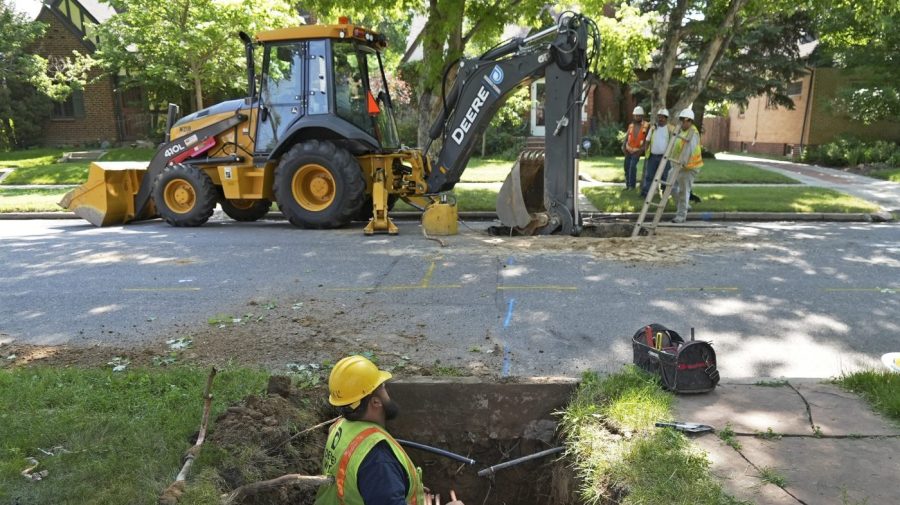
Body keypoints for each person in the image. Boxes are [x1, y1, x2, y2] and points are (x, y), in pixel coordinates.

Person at [314, 355, 464, 505]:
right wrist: (387, 485)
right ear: (376, 401)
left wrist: (395, 486)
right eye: (383, 386)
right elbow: (377, 477)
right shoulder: (377, 461)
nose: (387, 391)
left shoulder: (341, 426)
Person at [670, 108, 704, 223]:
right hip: (677, 166)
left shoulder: (692, 133)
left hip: (688, 167)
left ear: (689, 121)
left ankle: (681, 216)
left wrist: (682, 163)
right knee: (670, 187)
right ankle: (686, 206)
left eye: (683, 121)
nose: (681, 123)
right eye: (680, 120)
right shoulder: (682, 131)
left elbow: (689, 150)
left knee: (683, 191)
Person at [640, 109, 674, 197]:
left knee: (665, 176)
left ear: (666, 119)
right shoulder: (653, 128)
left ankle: (664, 194)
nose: (660, 119)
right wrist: (646, 151)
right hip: (652, 156)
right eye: (659, 117)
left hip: (665, 157)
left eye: (662, 118)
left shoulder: (670, 128)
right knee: (649, 176)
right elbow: (647, 140)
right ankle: (646, 193)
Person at [621, 106, 649, 190]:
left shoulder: (646, 126)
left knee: (632, 167)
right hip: (628, 150)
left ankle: (632, 186)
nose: (637, 117)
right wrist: (624, 147)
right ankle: (627, 185)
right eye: (636, 115)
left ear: (642, 116)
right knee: (626, 167)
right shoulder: (631, 126)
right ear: (634, 116)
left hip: (637, 151)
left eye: (639, 115)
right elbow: (626, 138)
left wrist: (642, 150)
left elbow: (647, 139)